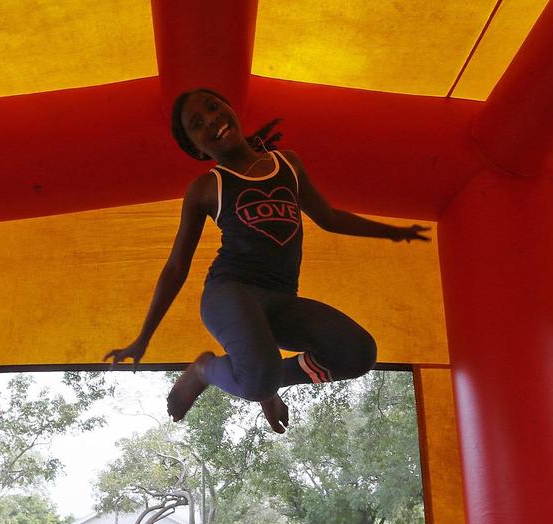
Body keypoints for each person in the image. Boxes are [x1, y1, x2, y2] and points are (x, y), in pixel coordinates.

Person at [106, 88, 429, 431]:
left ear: (230, 106)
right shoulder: (205, 188)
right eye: (197, 124)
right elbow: (176, 266)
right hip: (229, 293)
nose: (212, 119)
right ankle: (205, 370)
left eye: (214, 106)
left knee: (358, 353)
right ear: (196, 148)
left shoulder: (287, 163)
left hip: (280, 301)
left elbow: (330, 218)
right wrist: (143, 338)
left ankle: (271, 383)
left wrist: (393, 232)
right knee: (258, 380)